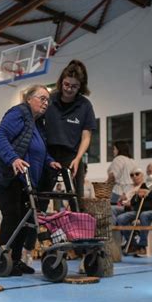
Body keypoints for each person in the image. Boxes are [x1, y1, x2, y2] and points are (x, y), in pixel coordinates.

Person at [0, 85, 61, 276]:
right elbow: (0, 136)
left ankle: (16, 260)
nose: (45, 103)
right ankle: (5, 257)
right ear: (29, 99)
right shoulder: (19, 113)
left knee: (26, 216)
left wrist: (50, 162)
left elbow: (39, 150)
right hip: (2, 172)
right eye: (41, 98)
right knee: (13, 214)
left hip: (21, 176)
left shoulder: (37, 123)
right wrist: (13, 158)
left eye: (47, 100)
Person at [41, 60, 96, 205]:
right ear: (61, 82)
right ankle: (37, 224)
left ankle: (77, 225)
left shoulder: (85, 105)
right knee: (41, 195)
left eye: (74, 86)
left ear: (81, 87)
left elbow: (86, 136)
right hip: (49, 154)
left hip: (72, 155)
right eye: (66, 84)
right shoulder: (50, 100)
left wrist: (78, 158)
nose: (69, 89)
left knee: (76, 199)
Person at [116, 163, 152, 257]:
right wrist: (137, 196)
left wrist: (148, 193)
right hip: (141, 211)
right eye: (149, 171)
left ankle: (142, 247)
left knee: (144, 215)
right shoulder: (145, 184)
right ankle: (133, 244)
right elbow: (134, 201)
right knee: (121, 218)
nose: (151, 173)